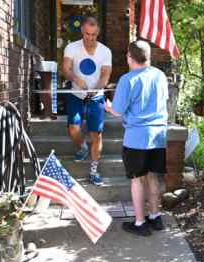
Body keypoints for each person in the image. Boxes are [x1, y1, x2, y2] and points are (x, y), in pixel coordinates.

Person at [105, 41, 168, 236]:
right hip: (158, 136)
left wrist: (107, 106)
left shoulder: (127, 79)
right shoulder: (160, 75)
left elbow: (117, 110)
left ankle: (140, 223)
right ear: (149, 57)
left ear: (129, 57)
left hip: (137, 137)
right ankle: (155, 217)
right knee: (153, 176)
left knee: (137, 180)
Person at [62, 16, 112, 186]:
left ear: (97, 33)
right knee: (73, 128)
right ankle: (82, 147)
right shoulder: (71, 47)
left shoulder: (105, 51)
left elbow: (105, 75)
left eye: (93, 35)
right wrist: (76, 79)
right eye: (87, 34)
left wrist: (96, 88)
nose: (90, 38)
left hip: (96, 96)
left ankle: (94, 170)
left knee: (96, 134)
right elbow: (66, 68)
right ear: (82, 32)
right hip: (76, 94)